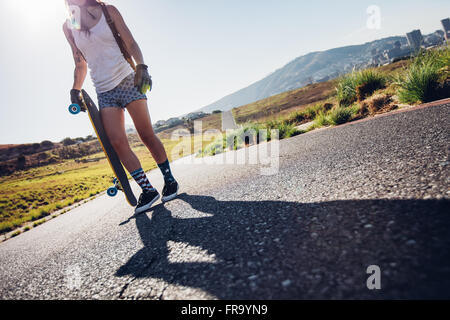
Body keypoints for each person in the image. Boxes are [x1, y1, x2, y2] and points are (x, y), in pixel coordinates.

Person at [63, 0, 179, 214]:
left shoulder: (108, 11)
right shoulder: (69, 26)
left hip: (127, 79)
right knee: (117, 142)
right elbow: (80, 63)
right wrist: (75, 90)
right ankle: (148, 190)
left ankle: (169, 180)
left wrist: (142, 66)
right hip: (103, 91)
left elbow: (130, 42)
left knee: (146, 134)